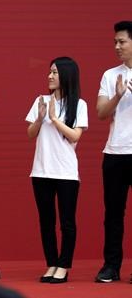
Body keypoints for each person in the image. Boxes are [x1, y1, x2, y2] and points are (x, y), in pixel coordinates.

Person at [25, 57, 87, 284]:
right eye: (49, 72)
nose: (49, 76)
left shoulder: (79, 105)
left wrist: (54, 119)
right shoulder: (40, 100)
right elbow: (30, 134)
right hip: (41, 171)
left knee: (67, 222)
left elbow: (75, 136)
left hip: (66, 173)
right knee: (46, 220)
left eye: (54, 72)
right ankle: (51, 263)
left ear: (66, 75)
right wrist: (41, 119)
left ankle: (63, 265)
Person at [95, 20, 132, 283]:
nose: (117, 47)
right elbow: (100, 113)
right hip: (115, 152)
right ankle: (111, 266)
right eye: (115, 42)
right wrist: (117, 96)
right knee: (113, 214)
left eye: (122, 42)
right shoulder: (110, 75)